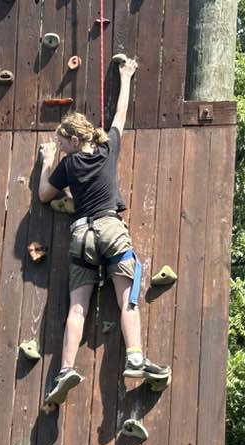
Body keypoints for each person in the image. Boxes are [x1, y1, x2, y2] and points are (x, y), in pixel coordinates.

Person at [37, 55, 171, 409]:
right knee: (127, 297)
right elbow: (120, 116)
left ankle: (66, 370)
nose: (58, 145)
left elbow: (44, 195)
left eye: (60, 141)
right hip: (111, 228)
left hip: (81, 233)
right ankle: (136, 359)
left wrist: (46, 160)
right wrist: (126, 75)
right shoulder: (107, 150)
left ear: (70, 140)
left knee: (77, 308)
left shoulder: (67, 165)